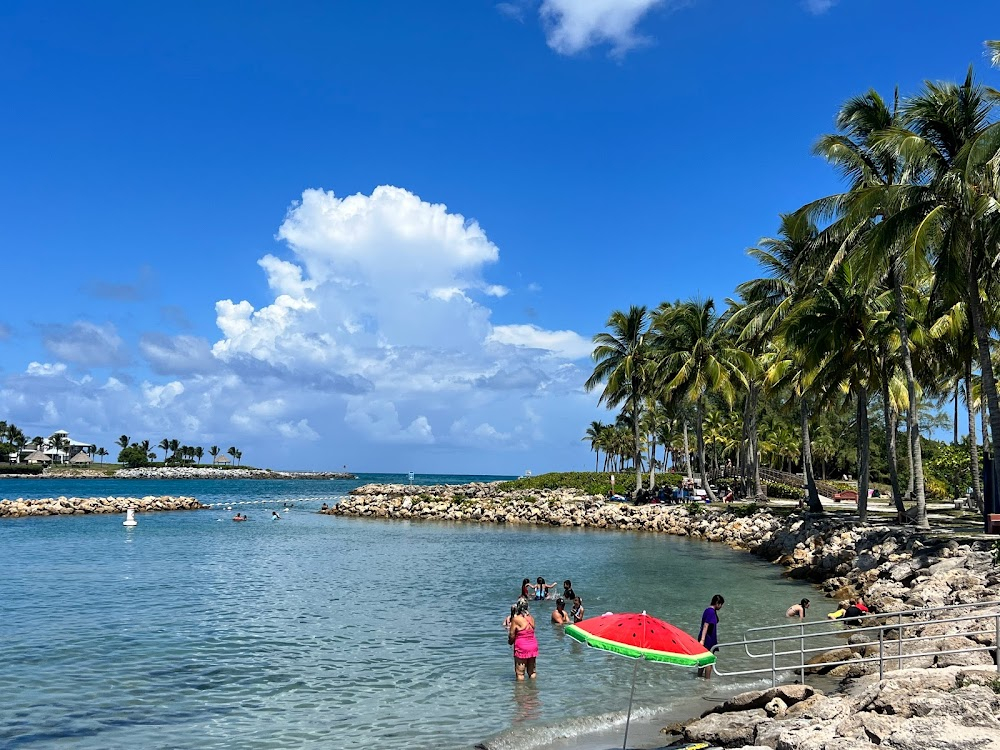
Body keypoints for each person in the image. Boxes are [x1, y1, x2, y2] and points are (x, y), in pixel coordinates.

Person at [508, 598, 538, 680]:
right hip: (533, 645)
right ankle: (533, 690)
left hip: (522, 647)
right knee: (532, 672)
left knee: (520, 673)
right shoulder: (531, 618)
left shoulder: (516, 619)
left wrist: (510, 642)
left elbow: (511, 635)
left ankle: (521, 692)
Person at [698, 594, 724, 678]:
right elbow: (706, 625)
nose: (721, 607)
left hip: (706, 638)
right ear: (717, 603)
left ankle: (699, 677)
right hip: (707, 639)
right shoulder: (711, 612)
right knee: (709, 661)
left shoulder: (708, 610)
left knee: (702, 659)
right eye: (721, 604)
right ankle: (707, 680)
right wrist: (702, 640)